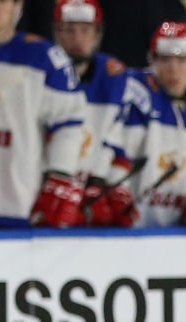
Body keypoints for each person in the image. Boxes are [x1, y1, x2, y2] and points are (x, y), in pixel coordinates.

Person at [0, 0, 86, 228]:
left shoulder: (47, 59)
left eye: (3, 1)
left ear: (17, 6)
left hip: (17, 203)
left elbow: (68, 124)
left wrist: (60, 176)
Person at [112, 21, 186, 242]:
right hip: (133, 232)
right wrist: (118, 192)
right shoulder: (139, 92)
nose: (173, 69)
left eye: (181, 60)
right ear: (152, 60)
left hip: (183, 234)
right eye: (165, 60)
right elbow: (120, 150)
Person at [52, 0, 136, 228]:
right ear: (57, 32)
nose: (77, 38)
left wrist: (104, 185)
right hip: (48, 195)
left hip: (90, 196)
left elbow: (115, 140)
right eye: (69, 30)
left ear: (98, 33)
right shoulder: (42, 74)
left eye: (85, 30)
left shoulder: (114, 77)